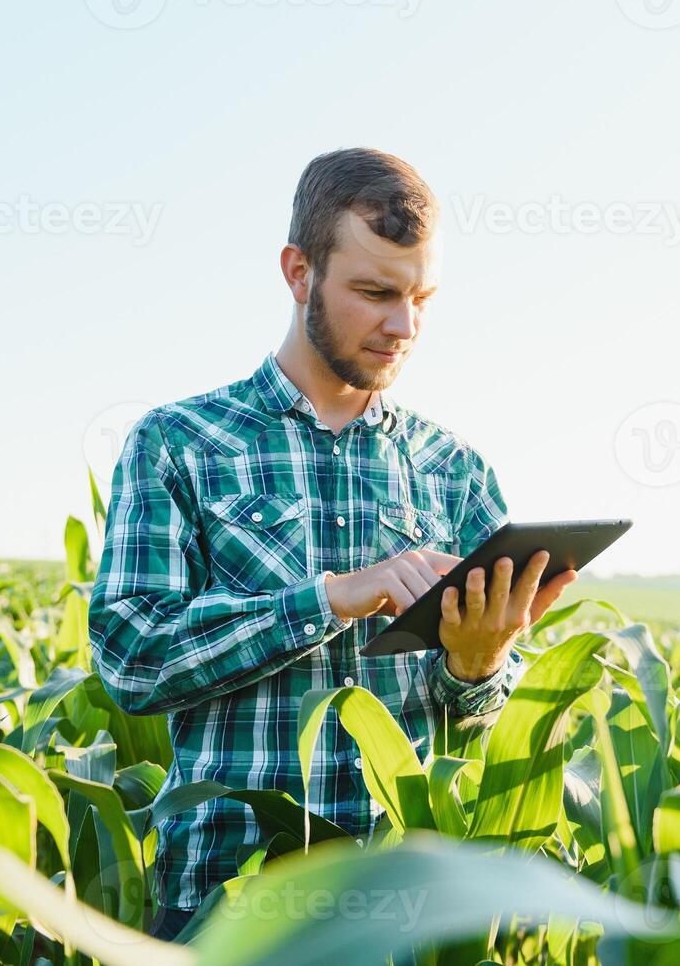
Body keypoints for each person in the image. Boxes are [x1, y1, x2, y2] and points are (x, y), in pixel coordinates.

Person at [88, 147, 579, 941]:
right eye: (375, 292)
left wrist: (477, 664)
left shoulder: (455, 473)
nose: (404, 326)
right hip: (229, 908)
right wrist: (326, 599)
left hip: (407, 917)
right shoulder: (182, 444)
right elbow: (129, 658)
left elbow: (475, 730)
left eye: (422, 296)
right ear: (298, 271)